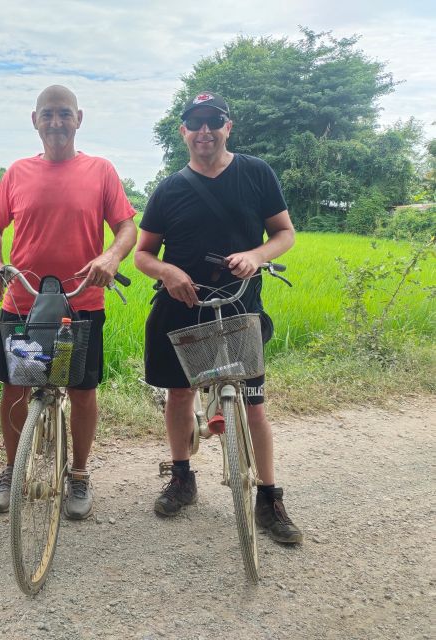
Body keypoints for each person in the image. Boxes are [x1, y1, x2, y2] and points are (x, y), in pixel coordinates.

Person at [134, 91, 302, 543]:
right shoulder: (169, 189)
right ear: (184, 131)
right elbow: (143, 254)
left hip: (241, 303)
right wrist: (168, 271)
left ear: (228, 126)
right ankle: (183, 475)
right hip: (182, 304)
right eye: (195, 122)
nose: (204, 130)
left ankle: (269, 498)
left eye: (214, 121)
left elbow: (284, 232)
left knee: (254, 404)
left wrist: (257, 255)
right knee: (180, 395)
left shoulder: (255, 173)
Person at [0, 85, 137, 519]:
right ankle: (12, 469)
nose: (56, 122)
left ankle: (81, 473)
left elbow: (127, 227)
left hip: (80, 301)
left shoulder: (101, 171)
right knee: (15, 386)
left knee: (81, 390)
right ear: (34, 120)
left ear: (79, 118)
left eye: (64, 114)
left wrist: (110, 256)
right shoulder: (16, 173)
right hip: (23, 302)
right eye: (47, 114)